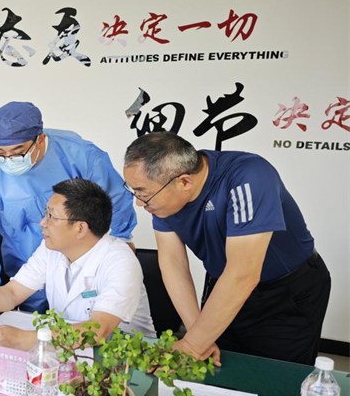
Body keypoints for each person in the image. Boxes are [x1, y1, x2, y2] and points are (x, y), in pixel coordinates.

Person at [122, 131, 330, 365]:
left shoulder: (249, 177)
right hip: (223, 286)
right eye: (134, 191)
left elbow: (243, 274)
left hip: (284, 293)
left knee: (277, 376)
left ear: (184, 182)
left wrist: (192, 345)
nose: (139, 202)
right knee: (217, 365)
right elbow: (173, 263)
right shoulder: (164, 198)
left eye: (144, 193)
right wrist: (196, 335)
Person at [0, 101, 137, 312]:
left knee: (84, 310)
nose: (8, 160)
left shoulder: (80, 155)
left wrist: (122, 237)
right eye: (0, 152)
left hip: (78, 252)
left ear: (40, 140)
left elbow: (115, 196)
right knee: (32, 314)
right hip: (25, 257)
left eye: (17, 152)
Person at [0, 179, 154, 351]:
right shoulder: (51, 248)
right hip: (67, 348)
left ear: (80, 228)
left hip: (125, 354)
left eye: (51, 216)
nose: (42, 223)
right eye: (45, 213)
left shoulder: (121, 261)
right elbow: (13, 292)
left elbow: (98, 330)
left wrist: (22, 339)